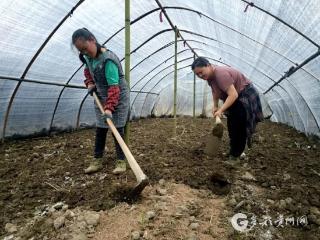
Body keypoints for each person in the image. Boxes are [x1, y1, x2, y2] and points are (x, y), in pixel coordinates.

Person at [72, 28, 130, 174]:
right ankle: (97, 160)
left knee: (117, 129)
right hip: (101, 95)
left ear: (92, 39)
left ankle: (121, 161)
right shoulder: (88, 57)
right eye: (81, 51)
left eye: (85, 49)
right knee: (100, 128)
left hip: (117, 95)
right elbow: (87, 70)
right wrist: (90, 83)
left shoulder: (108, 59)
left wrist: (109, 108)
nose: (84, 53)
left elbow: (114, 87)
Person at [191, 57, 263, 160]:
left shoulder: (220, 74)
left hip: (244, 97)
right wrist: (215, 105)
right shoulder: (209, 78)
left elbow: (233, 95)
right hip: (236, 98)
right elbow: (215, 91)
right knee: (232, 126)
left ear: (208, 65)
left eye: (201, 72)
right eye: (197, 74)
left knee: (239, 128)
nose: (200, 75)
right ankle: (234, 151)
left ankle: (236, 155)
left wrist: (221, 110)